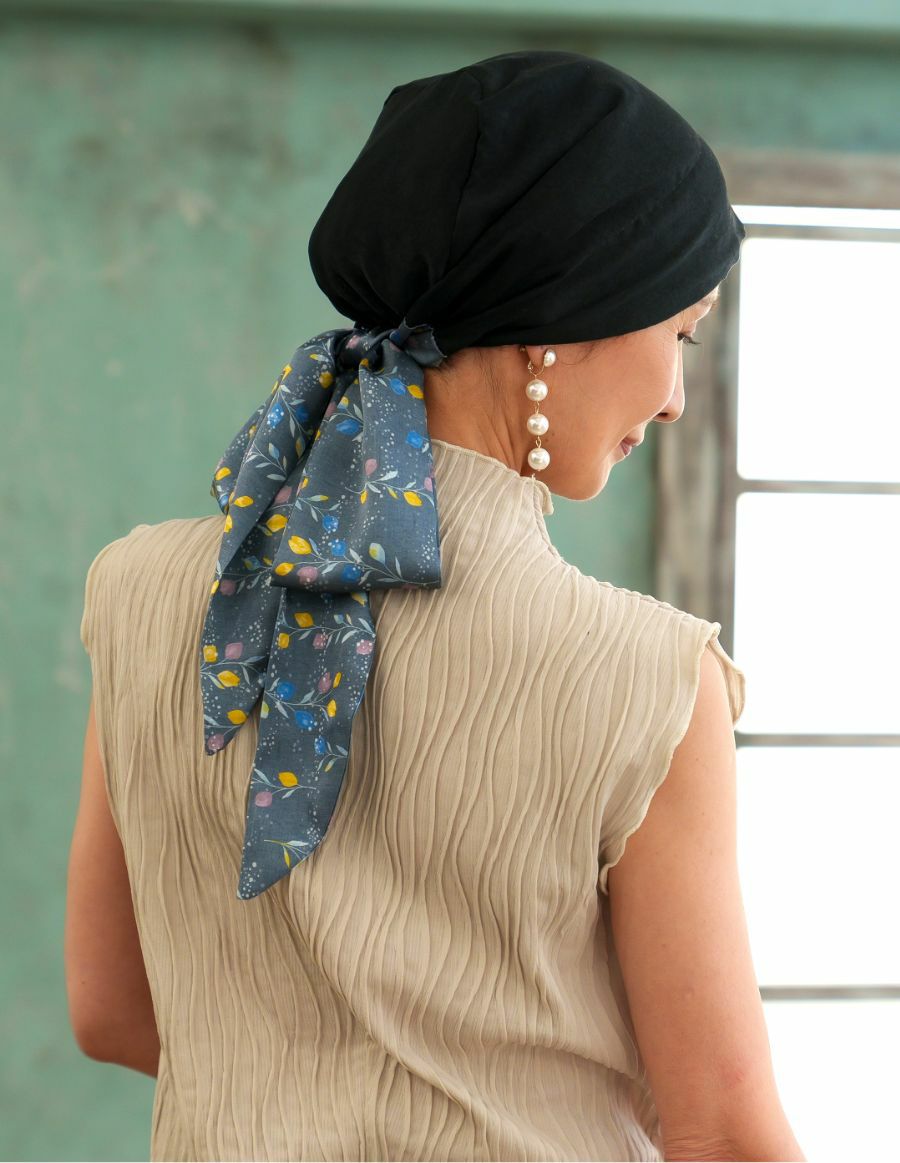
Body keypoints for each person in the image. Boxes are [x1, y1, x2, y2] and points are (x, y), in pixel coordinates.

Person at [65, 50, 806, 1162]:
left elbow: (111, 1009)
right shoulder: (650, 678)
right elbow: (725, 1131)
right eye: (681, 333)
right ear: (566, 318)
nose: (675, 399)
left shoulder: (140, 592)